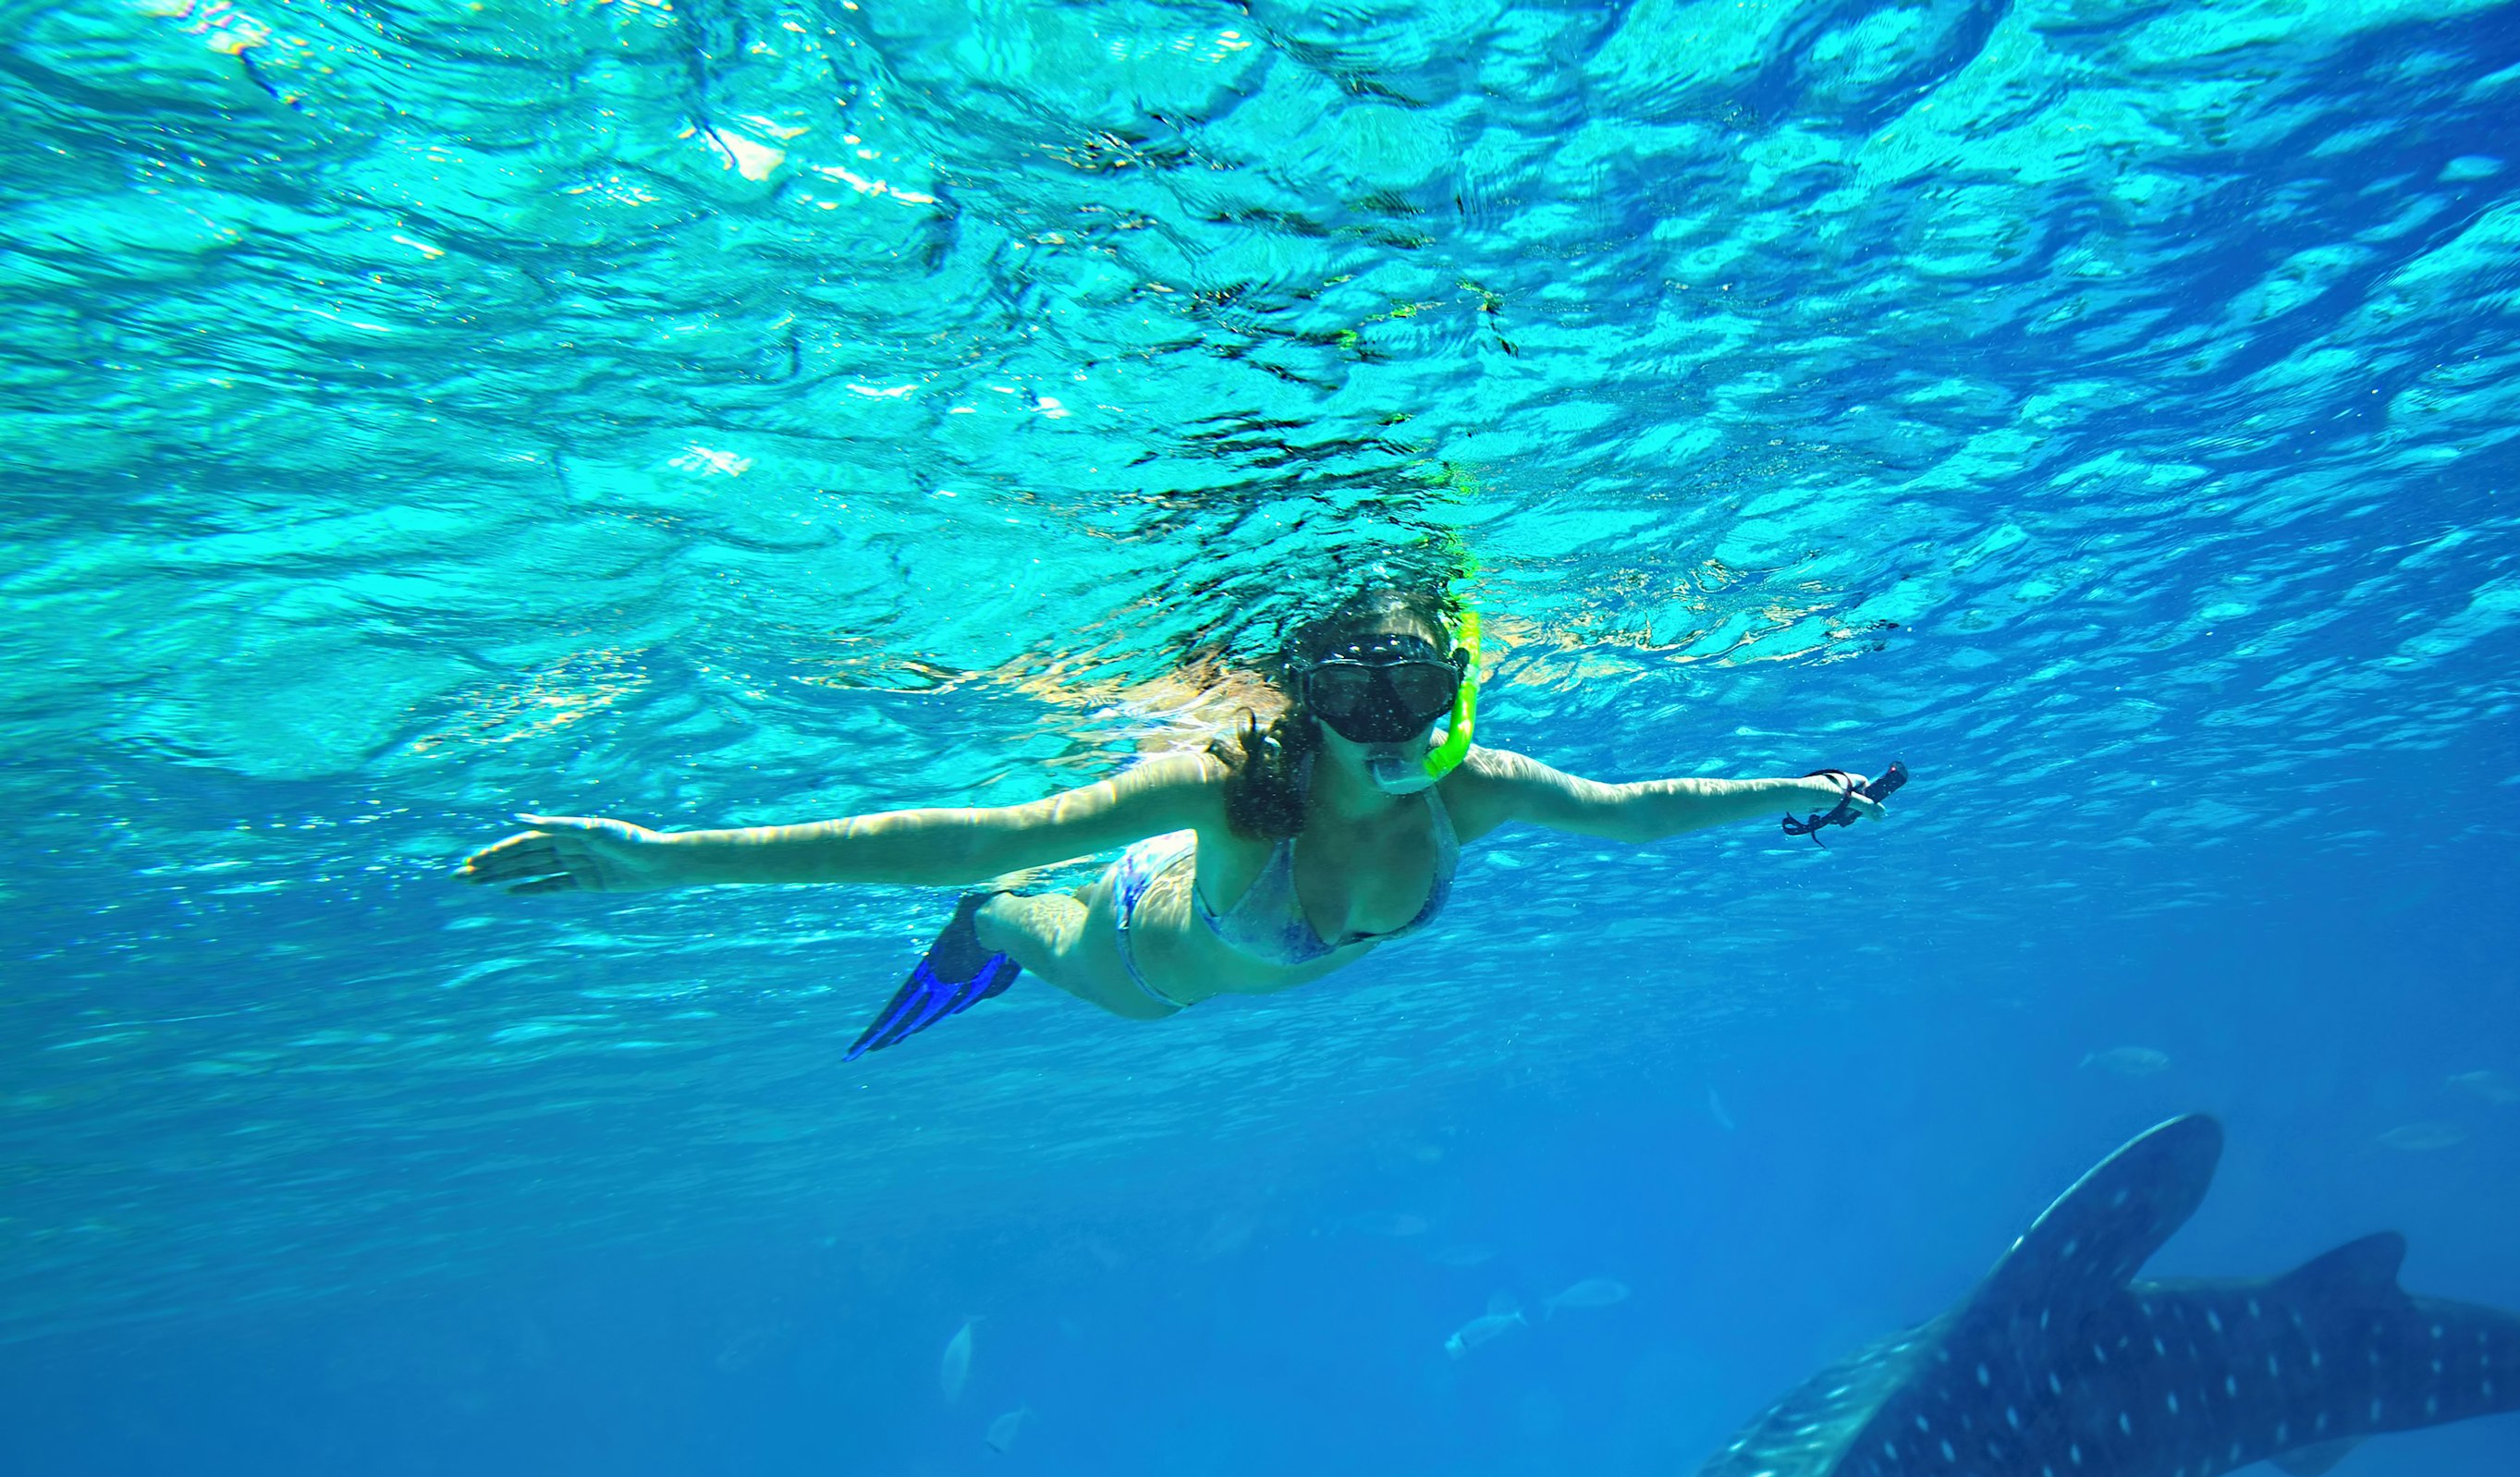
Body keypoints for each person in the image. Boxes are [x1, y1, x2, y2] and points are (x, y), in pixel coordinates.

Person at [459, 587, 1905, 1056]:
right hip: (1142, 946)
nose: (1396, 731)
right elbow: (973, 833)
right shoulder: (1229, 790)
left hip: (1237, 936)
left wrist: (1800, 788)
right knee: (1012, 914)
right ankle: (988, 949)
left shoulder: (1485, 785)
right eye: (1358, 692)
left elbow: (1638, 814)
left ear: (1461, 682)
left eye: (1423, 688)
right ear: (1308, 700)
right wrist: (667, 862)